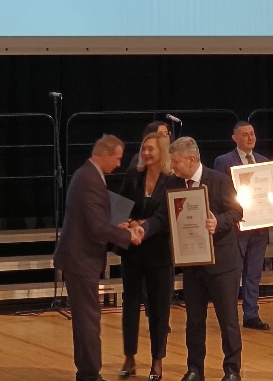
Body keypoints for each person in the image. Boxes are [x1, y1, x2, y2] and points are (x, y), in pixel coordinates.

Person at [148, 136, 243, 381]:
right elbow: (162, 216)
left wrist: (218, 221)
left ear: (191, 159)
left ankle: (232, 370)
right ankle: (194, 369)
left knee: (228, 320)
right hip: (191, 263)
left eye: (176, 162)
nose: (172, 167)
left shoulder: (219, 180)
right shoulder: (173, 184)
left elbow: (237, 211)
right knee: (194, 321)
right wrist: (142, 229)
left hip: (222, 263)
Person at [54, 135, 144, 381]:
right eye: (117, 158)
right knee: (88, 320)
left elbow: (95, 218)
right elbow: (96, 227)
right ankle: (90, 374)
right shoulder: (89, 179)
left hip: (80, 259)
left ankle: (86, 372)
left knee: (85, 319)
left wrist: (118, 226)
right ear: (104, 154)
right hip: (81, 260)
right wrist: (127, 236)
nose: (118, 164)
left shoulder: (87, 175)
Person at [118, 132, 173, 381]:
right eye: (144, 148)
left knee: (159, 309)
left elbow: (166, 216)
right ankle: (129, 358)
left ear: (162, 151)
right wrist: (130, 223)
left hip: (160, 252)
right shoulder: (133, 175)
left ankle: (157, 361)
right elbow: (120, 207)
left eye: (151, 148)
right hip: (132, 250)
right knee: (130, 305)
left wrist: (142, 226)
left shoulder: (171, 180)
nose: (146, 153)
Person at [213, 121, 271, 330]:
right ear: (234, 138)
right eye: (245, 134)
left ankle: (251, 314)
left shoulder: (264, 162)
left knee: (254, 273)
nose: (250, 137)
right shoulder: (224, 161)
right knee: (233, 273)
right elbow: (219, 192)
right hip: (237, 226)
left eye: (252, 133)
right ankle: (228, 316)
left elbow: (269, 191)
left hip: (260, 225)